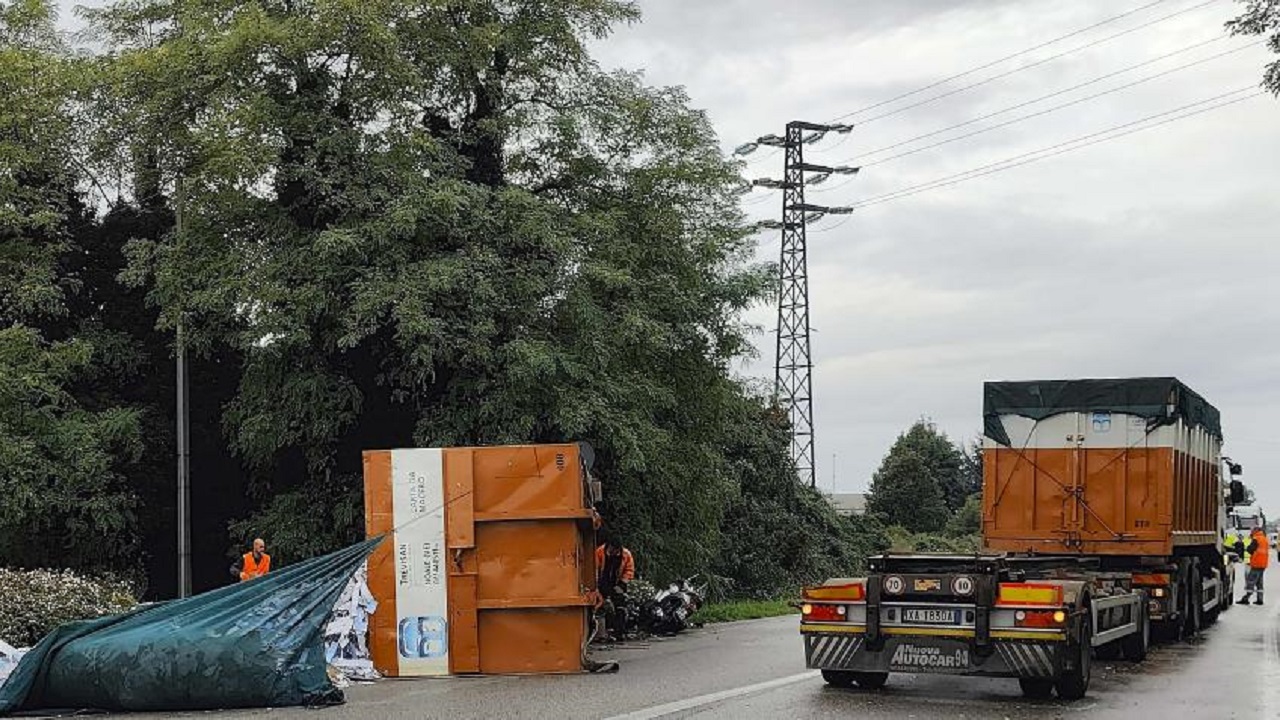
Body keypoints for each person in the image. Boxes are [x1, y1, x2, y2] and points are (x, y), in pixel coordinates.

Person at [595, 538, 635, 640]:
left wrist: (621, 585)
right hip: (602, 583)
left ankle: (619, 632)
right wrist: (597, 588)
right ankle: (601, 634)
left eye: (617, 551)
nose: (615, 553)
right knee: (601, 607)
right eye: (613, 550)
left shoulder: (626, 554)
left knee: (620, 606)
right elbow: (594, 570)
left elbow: (629, 571)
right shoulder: (599, 552)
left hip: (617, 583)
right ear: (609, 547)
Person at [1235, 525, 1268, 605]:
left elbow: (1250, 549)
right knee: (1260, 582)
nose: (1251, 531)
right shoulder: (1264, 538)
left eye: (1252, 530)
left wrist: (1245, 549)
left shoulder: (1256, 539)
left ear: (1256, 531)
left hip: (1256, 563)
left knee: (1250, 581)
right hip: (1263, 564)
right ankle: (1260, 599)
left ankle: (1246, 598)